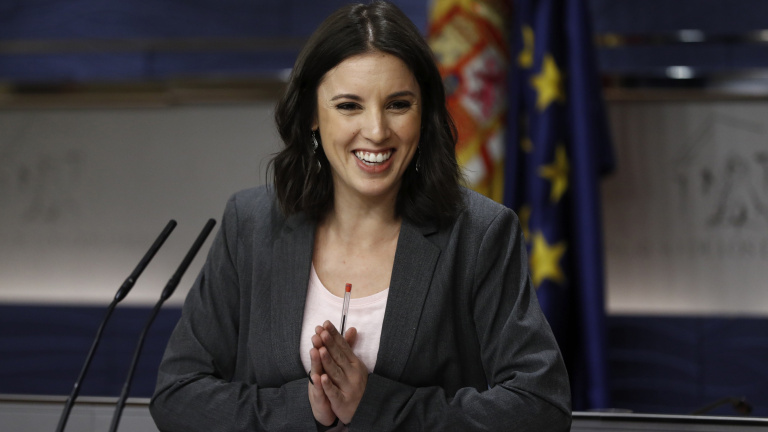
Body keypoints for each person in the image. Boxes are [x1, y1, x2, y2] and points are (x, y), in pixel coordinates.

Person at [149, 1, 571, 431]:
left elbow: (541, 405)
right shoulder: (250, 223)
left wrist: (376, 407)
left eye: (398, 104)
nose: (376, 131)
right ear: (312, 115)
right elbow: (177, 394)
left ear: (424, 114)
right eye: (349, 105)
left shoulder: (480, 234)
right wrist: (304, 409)